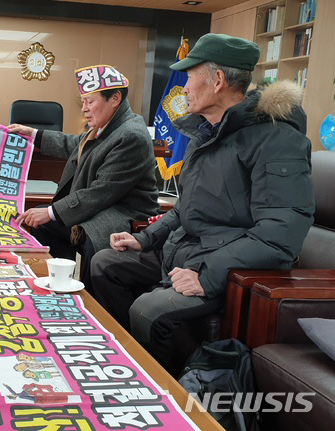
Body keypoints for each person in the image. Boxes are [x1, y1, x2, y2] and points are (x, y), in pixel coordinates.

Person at [90, 34, 315, 375]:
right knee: (105, 262)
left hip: (231, 269)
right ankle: (128, 357)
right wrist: (146, 239)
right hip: (189, 252)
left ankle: (164, 387)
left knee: (148, 310)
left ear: (218, 80)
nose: (184, 88)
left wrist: (207, 275)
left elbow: (279, 234)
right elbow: (185, 208)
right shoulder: (206, 133)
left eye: (190, 77)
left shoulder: (278, 139)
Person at [9, 65, 159, 288]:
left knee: (89, 236)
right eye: (83, 103)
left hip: (123, 210)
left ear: (115, 98)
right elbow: (75, 144)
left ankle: (90, 300)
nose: (84, 110)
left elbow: (101, 192)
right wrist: (34, 134)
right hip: (104, 204)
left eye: (90, 102)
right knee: (45, 226)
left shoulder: (131, 135)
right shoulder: (107, 125)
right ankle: (60, 283)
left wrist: (50, 212)